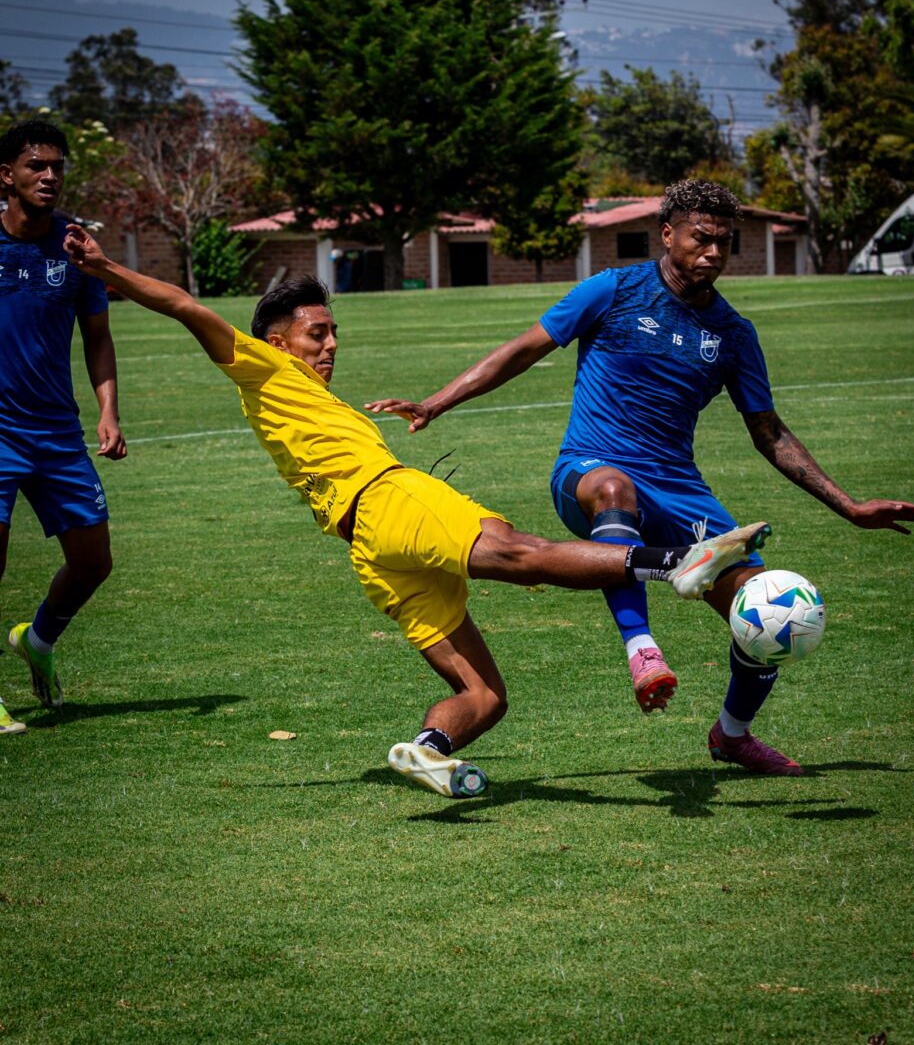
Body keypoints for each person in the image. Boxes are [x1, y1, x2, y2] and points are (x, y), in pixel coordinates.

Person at [62, 225, 771, 798]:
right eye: (317, 333)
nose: (331, 343)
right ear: (276, 341)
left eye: (334, 331)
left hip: (371, 552)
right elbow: (188, 306)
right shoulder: (265, 367)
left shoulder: (294, 398)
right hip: (390, 500)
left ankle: (428, 750)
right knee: (520, 551)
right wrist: (104, 269)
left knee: (485, 694)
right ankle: (678, 562)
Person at [366, 178, 914, 776]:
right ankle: (642, 650)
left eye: (724, 244)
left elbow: (770, 432)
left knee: (763, 608)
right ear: (668, 234)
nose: (712, 253)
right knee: (616, 490)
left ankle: (732, 735)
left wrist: (850, 506)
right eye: (700, 239)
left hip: (678, 487)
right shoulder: (614, 289)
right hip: (589, 469)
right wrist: (435, 403)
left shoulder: (733, 335)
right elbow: (523, 348)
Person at [0, 120, 127, 735]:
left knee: (93, 561)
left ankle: (39, 638)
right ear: (7, 176)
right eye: (35, 166)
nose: (49, 176)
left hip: (56, 433)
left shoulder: (76, 247)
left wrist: (108, 411)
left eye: (57, 166)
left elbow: (97, 339)